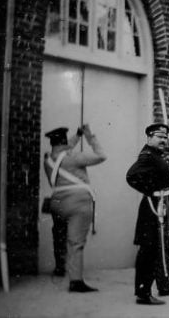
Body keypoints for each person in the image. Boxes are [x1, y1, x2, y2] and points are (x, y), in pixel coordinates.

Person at [43, 125, 106, 292]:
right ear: (64, 140)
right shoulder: (74, 157)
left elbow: (64, 149)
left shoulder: (48, 158)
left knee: (59, 237)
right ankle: (76, 281)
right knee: (75, 242)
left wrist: (76, 136)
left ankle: (59, 268)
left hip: (57, 203)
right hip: (78, 202)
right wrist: (88, 136)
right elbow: (101, 155)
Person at [126, 123, 169, 305]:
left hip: (161, 205)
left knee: (157, 248)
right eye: (159, 136)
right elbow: (131, 176)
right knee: (148, 249)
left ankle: (157, 287)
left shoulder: (156, 155)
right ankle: (143, 293)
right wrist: (151, 191)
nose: (163, 140)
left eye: (165, 137)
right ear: (149, 137)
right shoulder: (147, 156)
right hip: (153, 207)